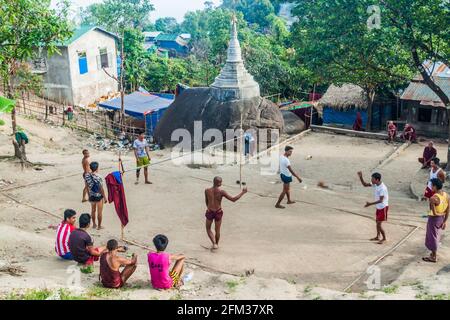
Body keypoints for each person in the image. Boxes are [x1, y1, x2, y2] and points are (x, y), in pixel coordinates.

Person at [204, 176, 247, 249]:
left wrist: (208, 209)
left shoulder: (207, 190)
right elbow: (233, 199)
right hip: (218, 212)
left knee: (208, 229)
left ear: (213, 182)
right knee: (217, 230)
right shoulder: (221, 192)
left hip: (210, 211)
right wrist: (243, 192)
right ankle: (216, 244)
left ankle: (214, 243)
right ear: (219, 183)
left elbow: (206, 202)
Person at [357, 171, 389, 244]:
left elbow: (381, 200)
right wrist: (361, 177)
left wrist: (370, 204)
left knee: (378, 224)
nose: (371, 180)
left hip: (383, 207)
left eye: (372, 179)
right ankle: (378, 236)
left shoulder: (382, 188)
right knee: (377, 222)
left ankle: (384, 238)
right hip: (379, 207)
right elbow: (365, 185)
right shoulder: (376, 184)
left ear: (377, 180)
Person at [423, 178, 449, 263]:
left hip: (434, 219)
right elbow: (448, 210)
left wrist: (441, 214)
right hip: (441, 219)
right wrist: (444, 221)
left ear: (434, 186)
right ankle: (433, 254)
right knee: (436, 235)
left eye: (431, 186)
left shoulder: (433, 198)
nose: (431, 187)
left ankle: (434, 256)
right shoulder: (446, 195)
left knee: (432, 236)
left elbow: (434, 213)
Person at [84, 161, 107, 230]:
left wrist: (89, 195)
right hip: (98, 196)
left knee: (93, 210)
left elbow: (86, 186)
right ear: (97, 168)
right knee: (99, 212)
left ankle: (94, 224)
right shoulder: (99, 177)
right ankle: (99, 226)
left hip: (91, 195)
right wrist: (105, 197)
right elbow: (101, 188)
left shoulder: (87, 175)